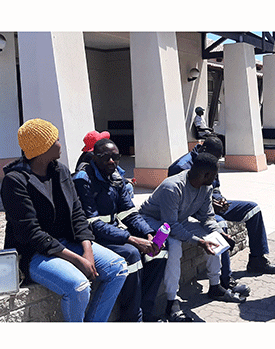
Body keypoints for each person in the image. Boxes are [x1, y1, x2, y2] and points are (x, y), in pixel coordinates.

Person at [1, 118, 127, 322]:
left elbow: (77, 213)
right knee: (78, 286)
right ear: (43, 148)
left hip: (69, 242)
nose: (61, 143)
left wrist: (87, 251)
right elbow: (31, 233)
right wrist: (77, 259)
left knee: (117, 268)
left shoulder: (60, 171)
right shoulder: (14, 181)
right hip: (35, 253)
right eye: (56, 140)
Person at [140, 153, 247, 322]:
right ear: (205, 175)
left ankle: (215, 286)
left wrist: (219, 233)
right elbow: (171, 227)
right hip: (152, 221)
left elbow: (207, 218)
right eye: (214, 175)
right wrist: (199, 242)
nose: (215, 179)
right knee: (174, 245)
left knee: (214, 237)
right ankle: (171, 302)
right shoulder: (173, 187)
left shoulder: (206, 187)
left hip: (175, 221)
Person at [168, 136, 275, 291]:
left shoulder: (211, 160)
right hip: (193, 209)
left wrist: (219, 200)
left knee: (253, 209)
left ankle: (257, 260)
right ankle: (225, 279)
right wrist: (209, 203)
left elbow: (215, 188)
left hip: (211, 204)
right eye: (215, 157)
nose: (216, 161)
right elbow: (180, 201)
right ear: (204, 149)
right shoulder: (181, 167)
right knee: (220, 225)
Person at [73, 138, 167, 322]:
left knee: (159, 252)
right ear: (94, 157)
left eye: (115, 158)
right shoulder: (83, 180)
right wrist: (131, 239)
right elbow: (93, 223)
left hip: (113, 232)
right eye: (106, 157)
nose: (111, 162)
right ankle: (132, 318)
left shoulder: (116, 177)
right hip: (93, 237)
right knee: (131, 254)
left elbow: (129, 213)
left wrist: (148, 233)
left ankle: (145, 311)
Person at [75, 130, 135, 197]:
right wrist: (125, 181)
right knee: (128, 187)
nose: (111, 161)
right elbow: (107, 175)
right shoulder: (92, 158)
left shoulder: (85, 156)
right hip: (99, 189)